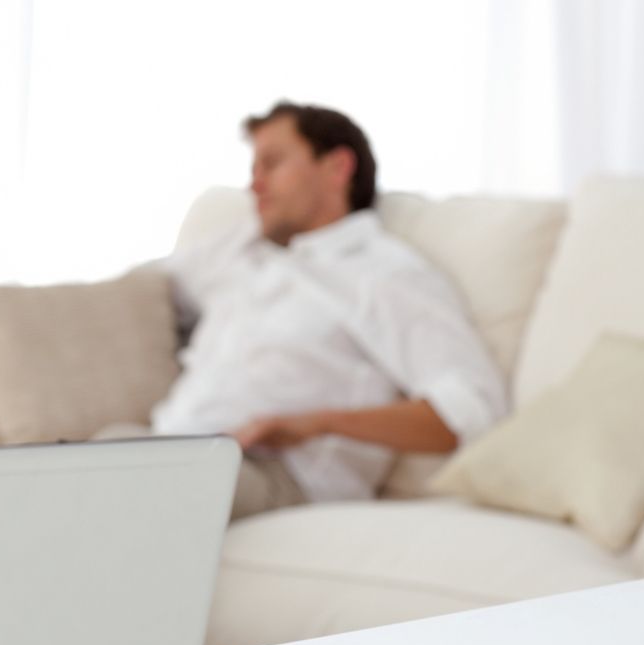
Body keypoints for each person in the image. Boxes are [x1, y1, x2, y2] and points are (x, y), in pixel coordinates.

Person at [103, 101, 506, 518]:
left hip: (275, 473)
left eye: (272, 164)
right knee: (93, 455)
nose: (254, 185)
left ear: (337, 167)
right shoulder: (240, 250)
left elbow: (472, 408)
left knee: (127, 483)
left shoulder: (382, 274)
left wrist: (318, 423)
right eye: (252, 169)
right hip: (172, 445)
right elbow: (133, 293)